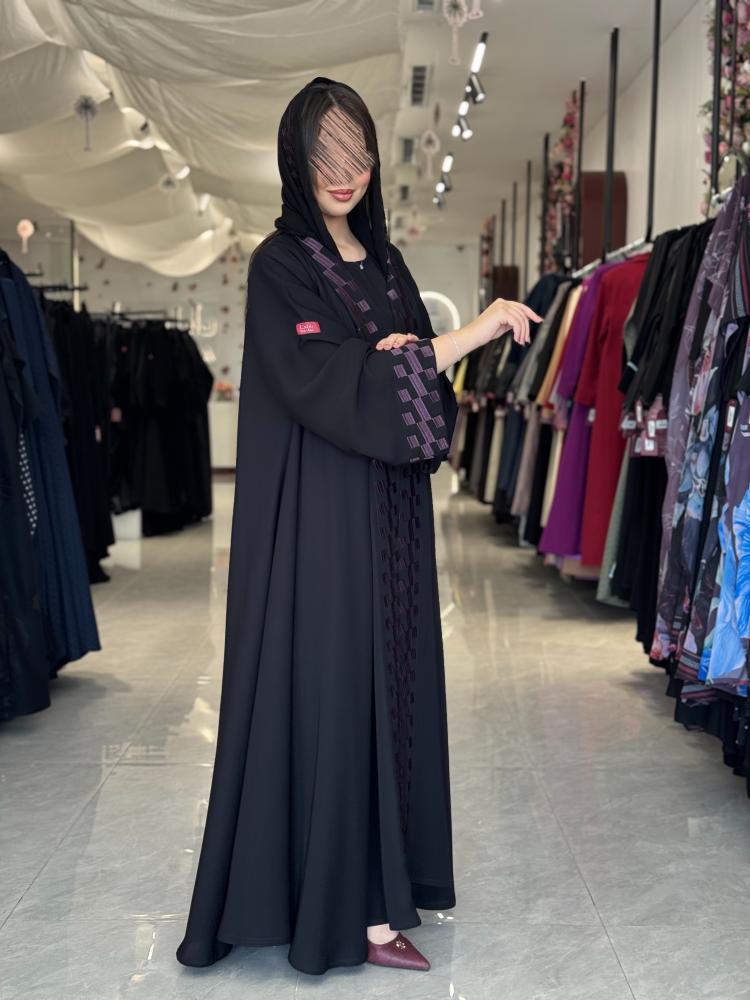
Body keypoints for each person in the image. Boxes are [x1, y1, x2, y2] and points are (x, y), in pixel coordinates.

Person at [176, 76, 540, 978]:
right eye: (325, 153)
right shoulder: (281, 265)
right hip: (322, 526)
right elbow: (328, 385)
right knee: (337, 691)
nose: (345, 171)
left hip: (391, 517)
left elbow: (404, 379)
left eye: (358, 153)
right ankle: (352, 912)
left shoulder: (384, 263)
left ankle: (383, 888)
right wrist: (469, 333)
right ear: (296, 161)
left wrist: (401, 358)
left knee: (391, 687)